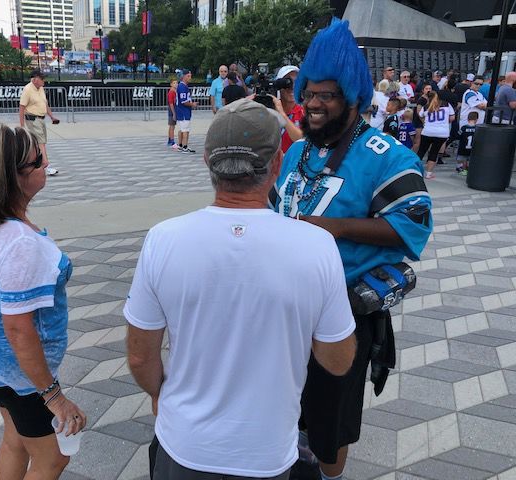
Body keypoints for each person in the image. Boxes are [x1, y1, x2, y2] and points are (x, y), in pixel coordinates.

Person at [126, 99, 357, 480]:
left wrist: (159, 393)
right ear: (277, 165)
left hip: (184, 443)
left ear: (206, 161)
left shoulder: (163, 239)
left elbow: (139, 356)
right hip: (266, 450)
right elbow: (337, 360)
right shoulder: (315, 245)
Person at [268, 18, 432, 480]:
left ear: (353, 98)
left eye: (327, 95)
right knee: (281, 408)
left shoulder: (389, 155)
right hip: (281, 312)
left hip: (341, 315)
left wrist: (331, 227)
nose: (313, 105)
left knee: (329, 425)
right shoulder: (299, 152)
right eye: (309, 93)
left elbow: (410, 226)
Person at [0, 124, 87, 480]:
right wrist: (54, 396)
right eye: (38, 160)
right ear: (13, 177)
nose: (47, 163)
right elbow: (18, 328)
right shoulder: (19, 244)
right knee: (52, 459)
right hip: (23, 376)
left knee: (15, 440)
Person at [19, 69, 59, 176]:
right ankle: (46, 165)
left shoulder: (41, 88)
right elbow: (22, 107)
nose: (44, 81)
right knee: (41, 142)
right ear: (35, 79)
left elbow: (44, 104)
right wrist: (22, 125)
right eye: (42, 78)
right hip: (32, 119)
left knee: (38, 142)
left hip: (41, 119)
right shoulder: (27, 89)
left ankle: (30, 164)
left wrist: (51, 117)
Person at [417, 91, 455, 179]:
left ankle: (415, 170)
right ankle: (428, 173)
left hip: (428, 131)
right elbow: (452, 118)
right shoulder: (446, 104)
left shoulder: (426, 106)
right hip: (442, 132)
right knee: (434, 152)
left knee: (421, 151)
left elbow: (420, 115)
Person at [272, 65, 304, 153]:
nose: (292, 87)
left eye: (296, 82)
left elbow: (302, 140)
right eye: (287, 82)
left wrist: (282, 115)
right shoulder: (270, 110)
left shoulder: (304, 111)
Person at [176, 69, 197, 153]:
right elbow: (184, 101)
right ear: (184, 76)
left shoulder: (182, 86)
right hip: (184, 111)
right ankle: (185, 146)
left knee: (181, 129)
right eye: (188, 76)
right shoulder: (182, 86)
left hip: (181, 111)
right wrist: (192, 104)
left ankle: (180, 145)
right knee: (185, 130)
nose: (190, 78)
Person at [411, 83, 433, 153]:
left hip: (425, 122)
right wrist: (424, 122)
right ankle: (413, 155)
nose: (428, 90)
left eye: (430, 89)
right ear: (423, 90)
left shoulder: (430, 99)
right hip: (419, 122)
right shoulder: (422, 99)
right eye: (427, 89)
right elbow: (419, 112)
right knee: (417, 141)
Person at [457, 111, 478, 176]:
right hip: (473, 147)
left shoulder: (464, 128)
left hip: (463, 146)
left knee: (464, 159)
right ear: (476, 119)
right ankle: (470, 170)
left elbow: (458, 135)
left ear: (468, 119)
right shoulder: (477, 128)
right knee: (470, 159)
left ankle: (464, 170)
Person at [166, 79, 178, 149]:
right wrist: (174, 113)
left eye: (176, 83)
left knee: (172, 126)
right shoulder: (171, 92)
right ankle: (172, 141)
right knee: (172, 126)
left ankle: (170, 139)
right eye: (174, 83)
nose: (176, 84)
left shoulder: (174, 92)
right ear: (171, 84)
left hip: (174, 110)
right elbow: (171, 104)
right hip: (172, 110)